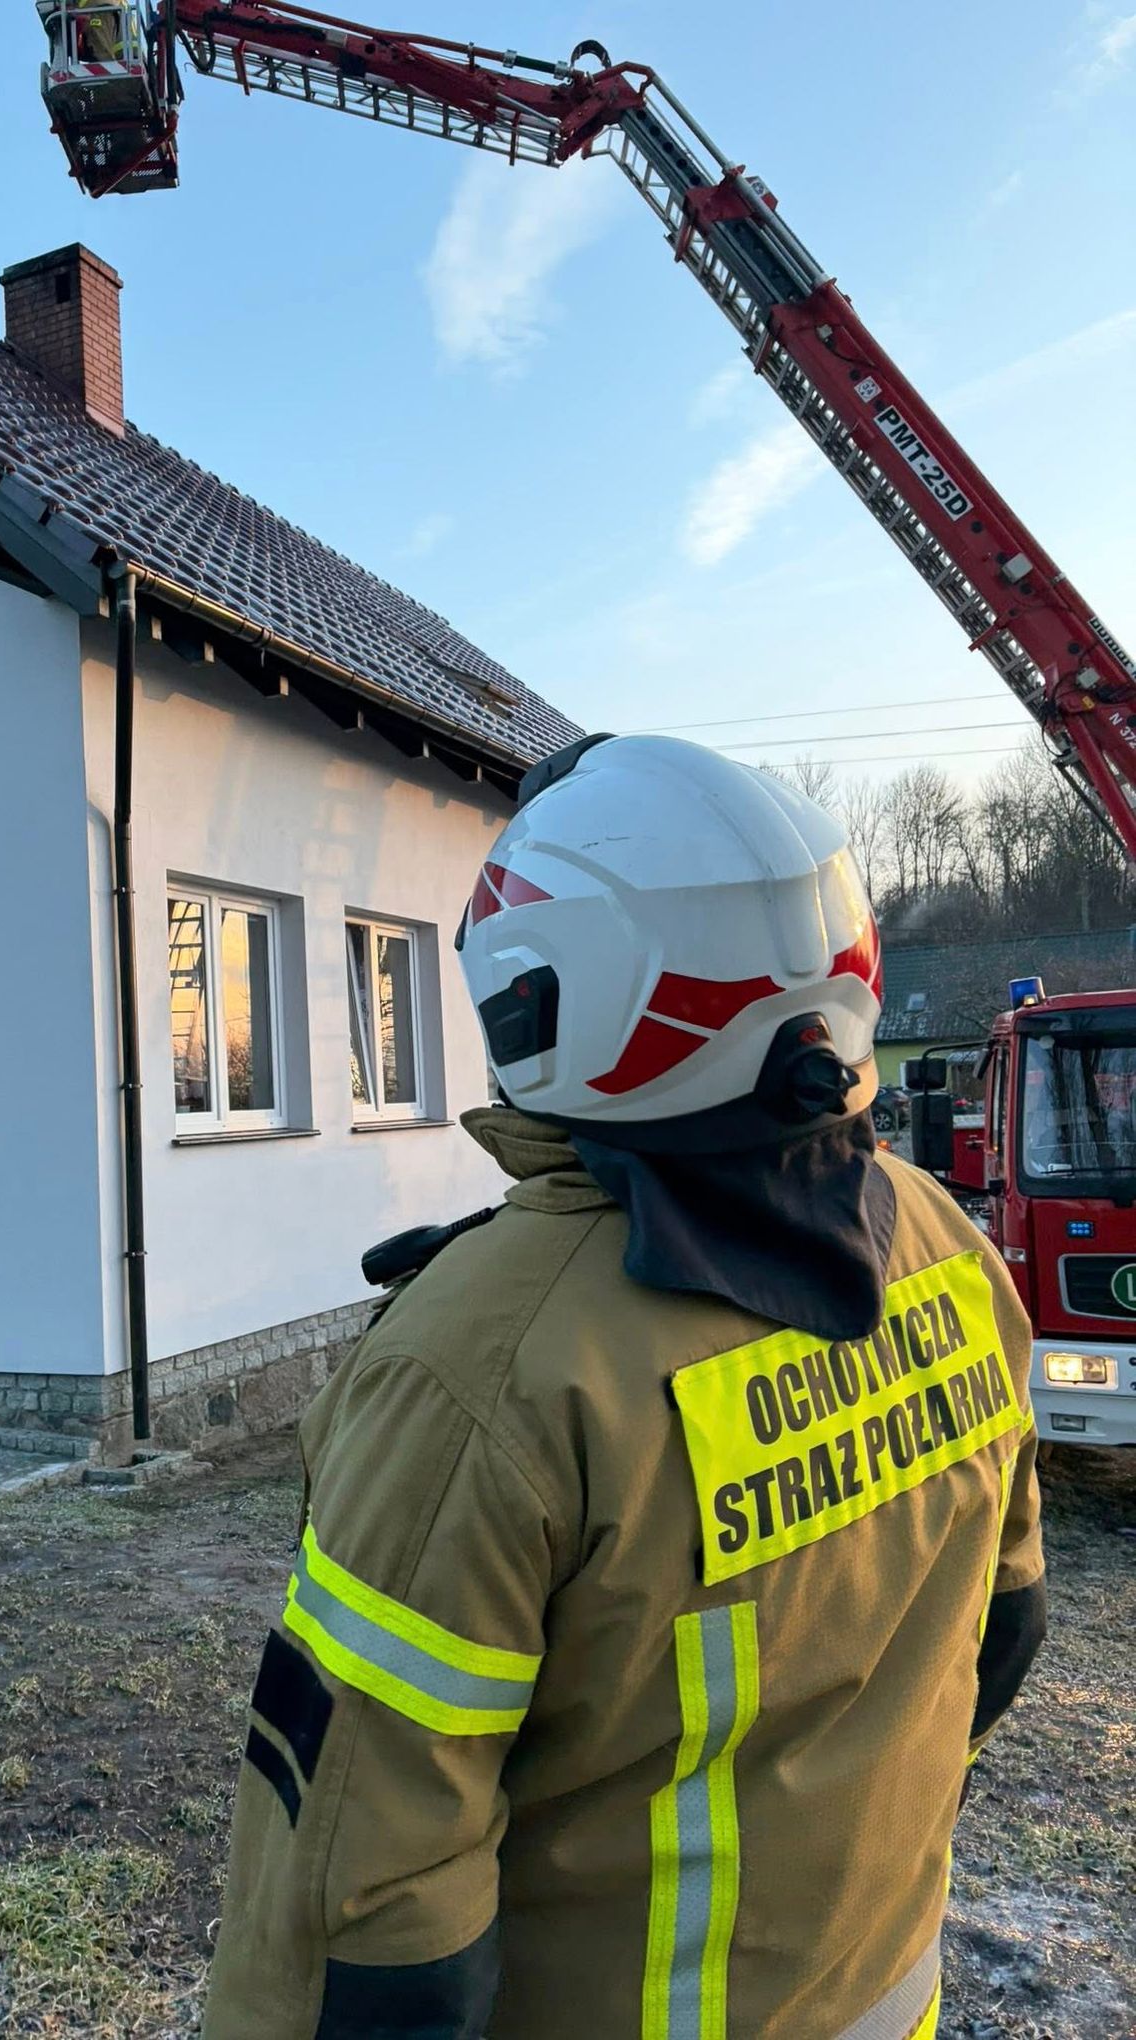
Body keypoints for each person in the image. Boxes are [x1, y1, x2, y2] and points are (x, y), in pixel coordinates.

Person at [201, 735, 1046, 2040]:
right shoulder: (947, 1248)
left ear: (541, 1003)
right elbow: (1004, 1628)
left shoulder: (477, 1371)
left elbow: (366, 1912)